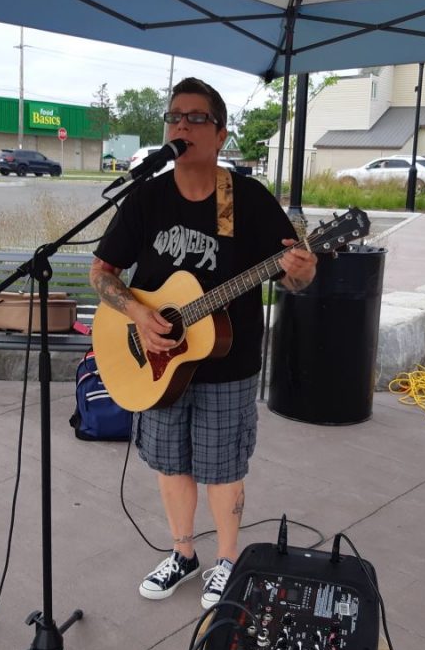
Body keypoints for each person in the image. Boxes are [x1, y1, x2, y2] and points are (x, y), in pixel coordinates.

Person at [90, 77, 317, 609]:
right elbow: (102, 273)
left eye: (195, 118)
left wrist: (302, 271)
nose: (181, 126)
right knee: (171, 464)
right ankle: (184, 553)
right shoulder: (147, 196)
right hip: (161, 362)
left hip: (226, 359)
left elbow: (293, 278)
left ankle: (228, 562)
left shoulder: (247, 199)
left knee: (223, 469)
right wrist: (139, 313)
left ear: (220, 134)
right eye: (174, 117)